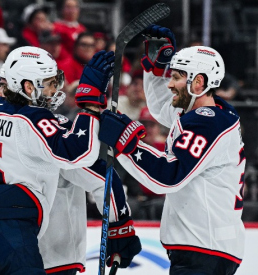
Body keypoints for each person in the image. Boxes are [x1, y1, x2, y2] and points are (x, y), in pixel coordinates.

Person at [0, 67, 140, 274]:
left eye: (3, 85)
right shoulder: (53, 131)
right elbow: (102, 177)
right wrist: (119, 226)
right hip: (51, 255)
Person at [99, 25, 245, 275]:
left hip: (204, 249)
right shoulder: (207, 113)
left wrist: (128, 142)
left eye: (176, 76)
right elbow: (160, 107)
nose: (170, 84)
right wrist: (157, 70)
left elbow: (168, 176)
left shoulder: (208, 122)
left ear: (198, 82)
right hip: (205, 246)